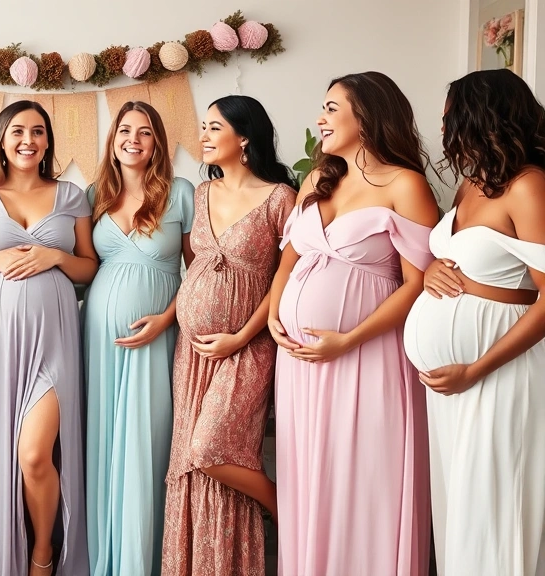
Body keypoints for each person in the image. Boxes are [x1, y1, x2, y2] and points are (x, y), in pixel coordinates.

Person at [268, 72, 440, 575]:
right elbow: (287, 263)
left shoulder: (405, 184)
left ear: (364, 115)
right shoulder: (318, 180)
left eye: (330, 108)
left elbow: (418, 285)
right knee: (308, 477)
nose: (319, 119)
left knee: (361, 476)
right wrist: (277, 315)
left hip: (368, 356)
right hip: (300, 364)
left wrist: (347, 339)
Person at [403, 69, 545, 575]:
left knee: (493, 503)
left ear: (480, 115)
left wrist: (478, 367)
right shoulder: (470, 183)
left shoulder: (528, 186)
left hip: (497, 368)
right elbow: (469, 259)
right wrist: (431, 272)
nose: (443, 123)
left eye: (450, 113)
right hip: (451, 384)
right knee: (458, 506)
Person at [0, 100, 97, 575]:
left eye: (38, 131)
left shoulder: (71, 195)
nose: (28, 140)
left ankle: (42, 554)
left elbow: (89, 266)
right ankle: (0, 553)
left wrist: (54, 258)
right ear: (1, 138)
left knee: (35, 454)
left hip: (54, 336)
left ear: (48, 141)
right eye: (17, 131)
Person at [162, 95, 297, 575]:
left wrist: (240, 337)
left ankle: (289, 513)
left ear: (244, 137)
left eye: (213, 127)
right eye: (203, 125)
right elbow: (194, 271)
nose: (203, 135)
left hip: (247, 347)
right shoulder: (201, 195)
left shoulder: (281, 198)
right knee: (192, 461)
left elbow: (289, 278)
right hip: (193, 353)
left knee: (212, 448)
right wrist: (169, 318)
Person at [82, 100, 194, 576]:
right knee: (104, 439)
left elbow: (200, 269)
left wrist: (167, 318)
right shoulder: (92, 196)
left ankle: (143, 558)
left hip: (158, 334)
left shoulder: (183, 192)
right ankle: (105, 555)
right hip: (99, 337)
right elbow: (85, 268)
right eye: (125, 130)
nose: (134, 139)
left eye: (145, 132)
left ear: (158, 143)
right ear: (112, 140)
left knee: (150, 438)